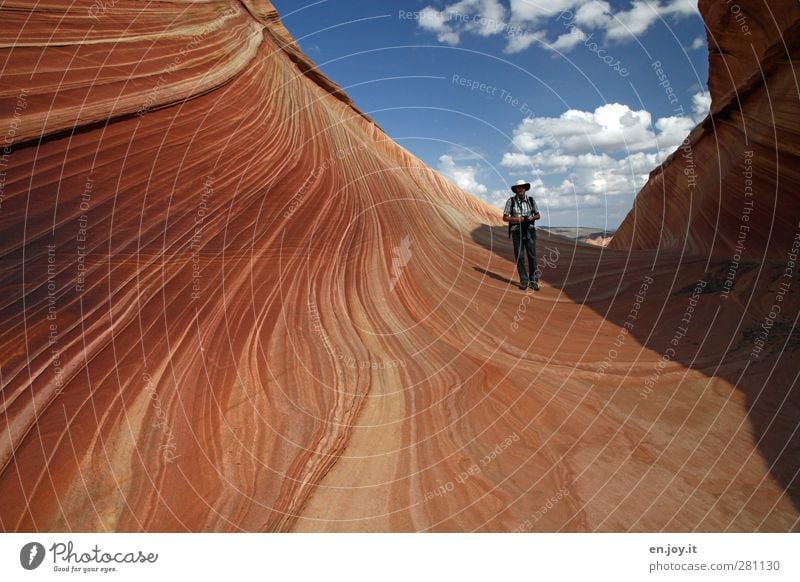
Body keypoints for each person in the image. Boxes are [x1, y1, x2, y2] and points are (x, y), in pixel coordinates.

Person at [502, 179, 541, 290]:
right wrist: (517, 219)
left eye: (523, 187)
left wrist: (531, 217)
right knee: (520, 256)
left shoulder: (531, 200)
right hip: (516, 231)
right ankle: (524, 280)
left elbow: (538, 215)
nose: (521, 189)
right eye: (519, 187)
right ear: (515, 190)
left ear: (525, 189)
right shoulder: (511, 201)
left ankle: (533, 281)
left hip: (529, 230)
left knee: (532, 256)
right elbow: (504, 217)